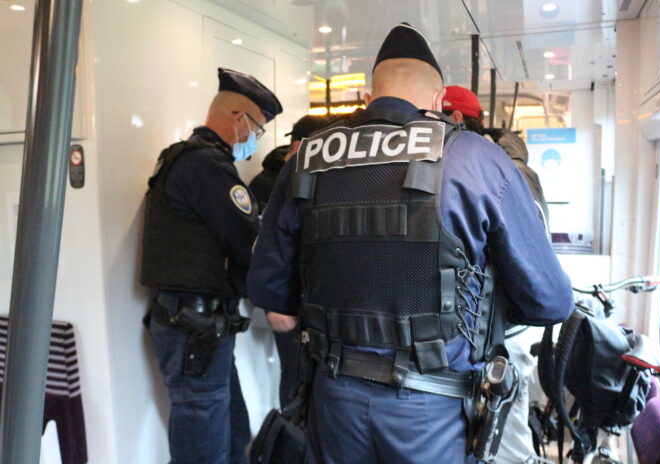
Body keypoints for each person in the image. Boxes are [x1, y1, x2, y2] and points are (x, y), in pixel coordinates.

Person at [247, 23, 573, 464]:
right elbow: (550, 302)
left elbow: (270, 293)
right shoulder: (474, 158)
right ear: (438, 101)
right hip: (431, 409)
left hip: (333, 400)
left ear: (367, 97)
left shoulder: (307, 158)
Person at [140, 67, 282, 464]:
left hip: (195, 323)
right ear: (238, 118)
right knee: (205, 441)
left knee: (231, 429)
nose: (256, 139)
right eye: (257, 129)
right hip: (195, 326)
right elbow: (248, 242)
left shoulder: (186, 158)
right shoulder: (207, 166)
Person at [443, 85, 552, 464]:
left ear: (456, 118)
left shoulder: (504, 173)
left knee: (504, 446)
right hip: (481, 337)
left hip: (504, 338)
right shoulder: (477, 167)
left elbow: (534, 263)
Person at [248, 114, 330, 409]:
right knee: (295, 377)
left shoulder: (314, 177)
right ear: (299, 146)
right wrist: (275, 304)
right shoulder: (266, 184)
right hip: (287, 301)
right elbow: (265, 247)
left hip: (313, 300)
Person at [442, 85, 550, 226]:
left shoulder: (512, 170)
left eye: (437, 119)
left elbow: (535, 233)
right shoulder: (456, 166)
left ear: (456, 118)